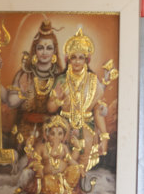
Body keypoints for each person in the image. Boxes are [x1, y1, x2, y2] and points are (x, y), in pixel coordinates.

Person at [0, 18, 64, 149]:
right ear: (35, 50)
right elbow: (10, 101)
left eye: (49, 48)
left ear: (54, 51)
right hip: (23, 135)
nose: (44, 52)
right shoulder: (25, 75)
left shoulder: (61, 77)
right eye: (40, 48)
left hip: (51, 137)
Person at [47, 27, 109, 173]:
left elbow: (98, 111)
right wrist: (57, 99)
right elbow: (50, 109)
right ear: (68, 59)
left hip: (87, 129)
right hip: (64, 130)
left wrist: (104, 137)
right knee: (63, 166)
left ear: (86, 59)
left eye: (81, 57)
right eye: (73, 57)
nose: (77, 61)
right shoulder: (61, 80)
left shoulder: (93, 81)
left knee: (80, 171)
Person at [18, 115, 85, 194]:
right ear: (47, 135)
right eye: (52, 133)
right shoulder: (41, 147)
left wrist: (79, 167)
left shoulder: (63, 147)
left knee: (75, 169)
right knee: (47, 182)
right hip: (47, 178)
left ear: (64, 136)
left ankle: (65, 190)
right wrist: (39, 169)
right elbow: (35, 161)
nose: (56, 137)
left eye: (60, 134)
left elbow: (70, 160)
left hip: (64, 178)